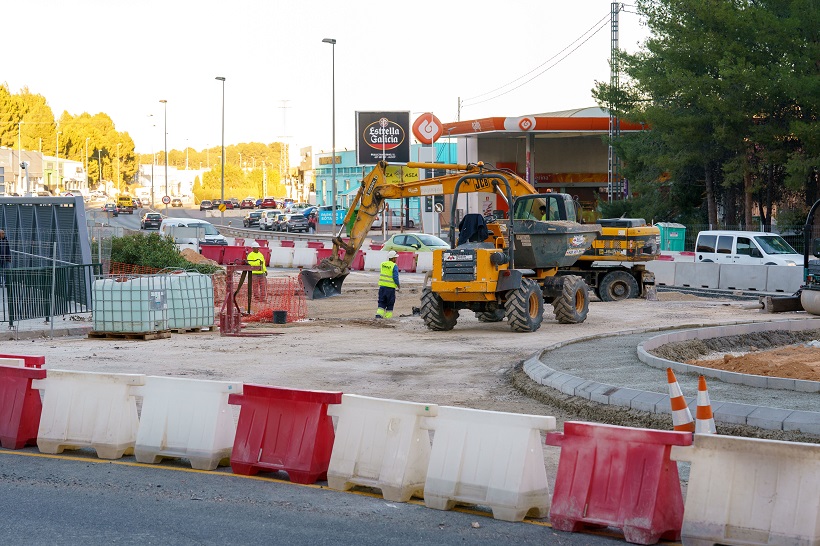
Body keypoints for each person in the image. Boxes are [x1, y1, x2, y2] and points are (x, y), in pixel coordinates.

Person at [375, 250, 400, 319]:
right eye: (395, 258)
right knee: (390, 303)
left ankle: (379, 315)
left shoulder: (383, 264)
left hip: (382, 287)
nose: (396, 259)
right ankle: (387, 318)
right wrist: (398, 285)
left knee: (382, 301)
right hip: (390, 288)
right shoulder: (394, 266)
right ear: (393, 258)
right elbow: (395, 277)